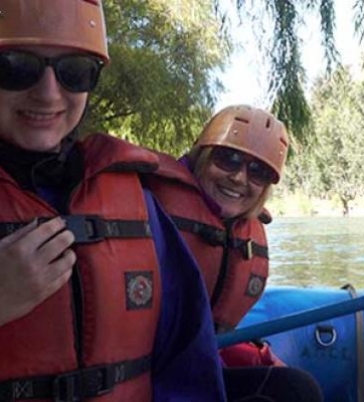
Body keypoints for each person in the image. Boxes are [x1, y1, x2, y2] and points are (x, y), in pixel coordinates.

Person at [0, 0, 226, 400]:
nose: (48, 94)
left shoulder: (139, 204)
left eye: (74, 71)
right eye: (17, 66)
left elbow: (187, 358)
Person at [144, 105, 323, 402]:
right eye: (229, 159)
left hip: (192, 372)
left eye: (259, 172)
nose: (239, 178)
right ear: (201, 155)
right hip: (139, 379)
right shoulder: (146, 207)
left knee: (299, 390)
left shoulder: (243, 230)